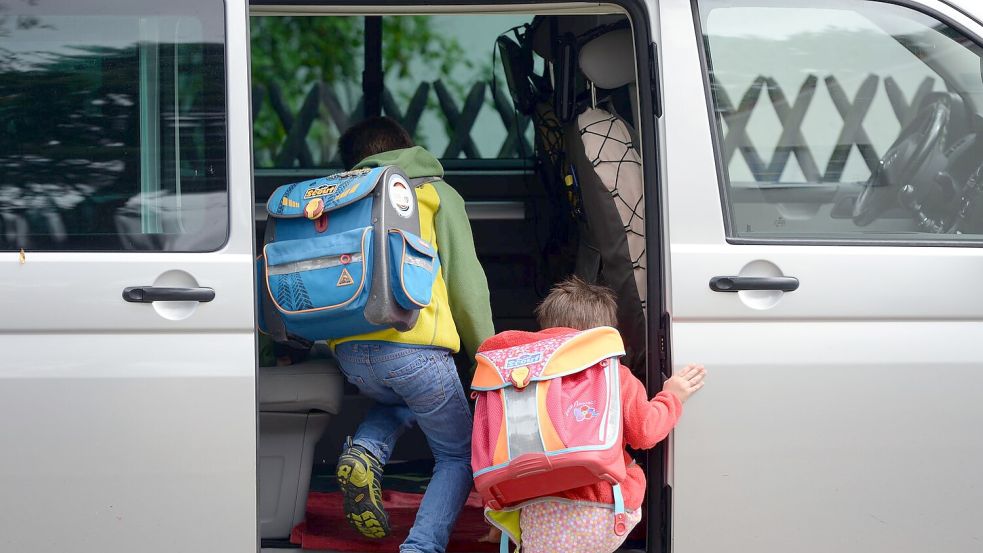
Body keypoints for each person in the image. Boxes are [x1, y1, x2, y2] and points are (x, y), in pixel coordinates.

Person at [329, 116, 495, 553]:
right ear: (407, 148)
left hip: (351, 354)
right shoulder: (432, 193)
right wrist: (488, 355)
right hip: (415, 350)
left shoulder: (338, 197)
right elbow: (466, 282)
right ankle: (421, 546)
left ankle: (365, 448)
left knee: (403, 400)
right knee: (457, 456)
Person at [480, 276, 705, 553]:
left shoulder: (520, 382)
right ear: (604, 334)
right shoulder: (613, 376)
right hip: (604, 510)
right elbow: (645, 432)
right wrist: (672, 396)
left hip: (537, 516)